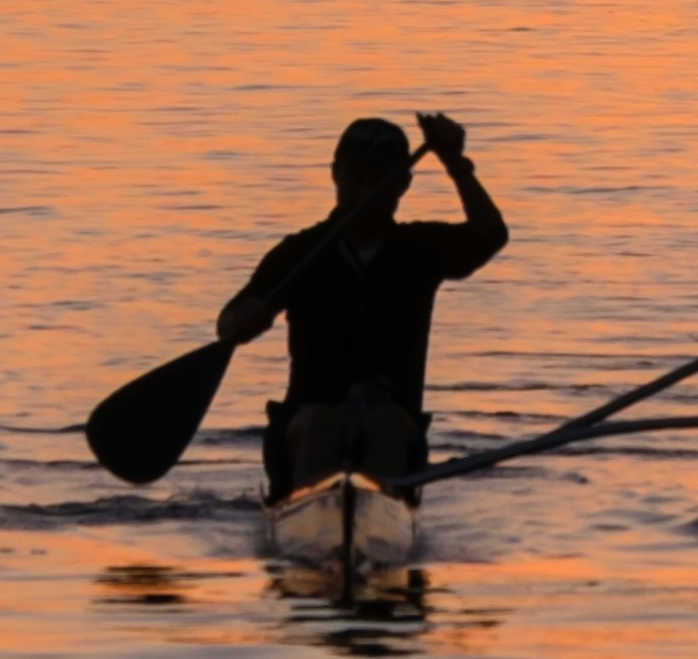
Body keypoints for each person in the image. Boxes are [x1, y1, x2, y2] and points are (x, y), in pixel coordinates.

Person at [217, 112, 508, 498]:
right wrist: (240, 321)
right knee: (324, 422)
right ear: (336, 174)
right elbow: (229, 321)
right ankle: (313, 511)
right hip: (306, 424)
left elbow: (490, 235)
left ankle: (377, 512)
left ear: (403, 184)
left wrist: (455, 164)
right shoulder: (300, 252)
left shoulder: (420, 250)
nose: (367, 190)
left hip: (395, 428)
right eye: (357, 176)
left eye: (380, 179)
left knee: (385, 422)